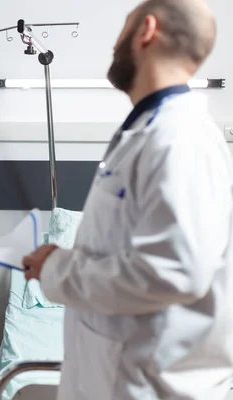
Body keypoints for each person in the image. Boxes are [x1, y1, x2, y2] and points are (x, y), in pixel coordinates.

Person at [22, 0, 233, 399]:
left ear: (146, 30)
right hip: (119, 376)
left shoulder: (179, 140)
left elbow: (173, 272)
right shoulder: (150, 133)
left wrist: (57, 269)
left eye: (123, 28)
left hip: (150, 384)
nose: (114, 44)